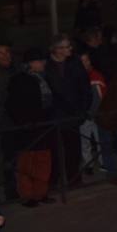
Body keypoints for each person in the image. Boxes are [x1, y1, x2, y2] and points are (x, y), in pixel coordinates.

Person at [5, 49, 56, 206]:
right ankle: (27, 196)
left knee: (43, 162)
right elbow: (13, 105)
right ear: (30, 63)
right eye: (40, 61)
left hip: (43, 126)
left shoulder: (43, 78)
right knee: (26, 164)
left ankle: (41, 193)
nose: (43, 64)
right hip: (26, 128)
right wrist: (24, 122)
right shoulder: (19, 80)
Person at [44, 34, 91, 186]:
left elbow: (85, 87)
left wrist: (83, 109)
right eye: (66, 47)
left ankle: (74, 178)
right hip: (55, 115)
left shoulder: (75, 63)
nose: (70, 49)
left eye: (69, 46)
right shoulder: (46, 65)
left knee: (73, 149)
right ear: (56, 49)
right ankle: (53, 181)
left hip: (74, 114)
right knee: (55, 150)